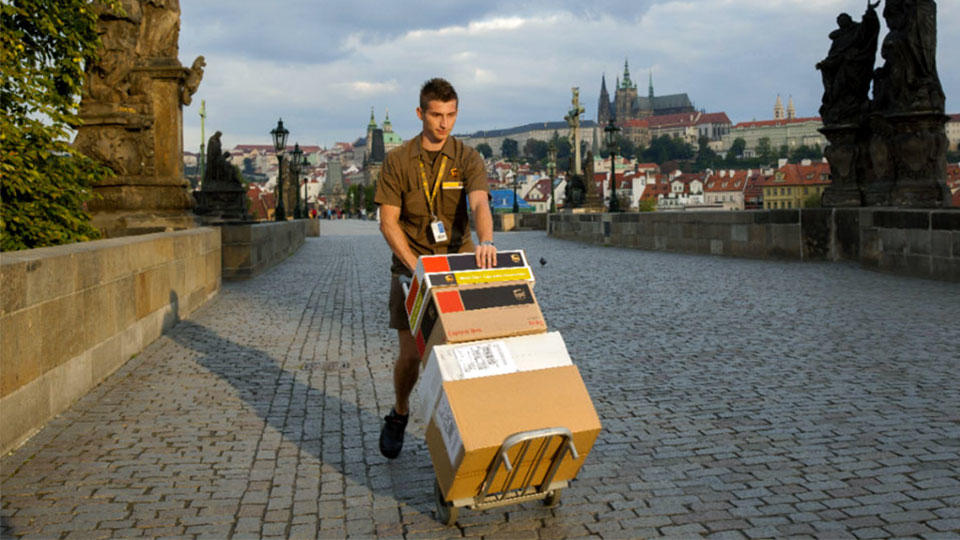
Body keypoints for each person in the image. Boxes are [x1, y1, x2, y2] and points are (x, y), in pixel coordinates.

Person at [373, 77, 496, 459]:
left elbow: (479, 204)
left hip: (457, 264)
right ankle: (400, 411)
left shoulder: (466, 157)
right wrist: (417, 268)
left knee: (463, 353)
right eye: (436, 115)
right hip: (412, 269)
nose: (444, 124)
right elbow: (388, 222)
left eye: (451, 115)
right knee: (411, 356)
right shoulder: (398, 160)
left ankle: (467, 431)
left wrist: (487, 241)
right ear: (420, 113)